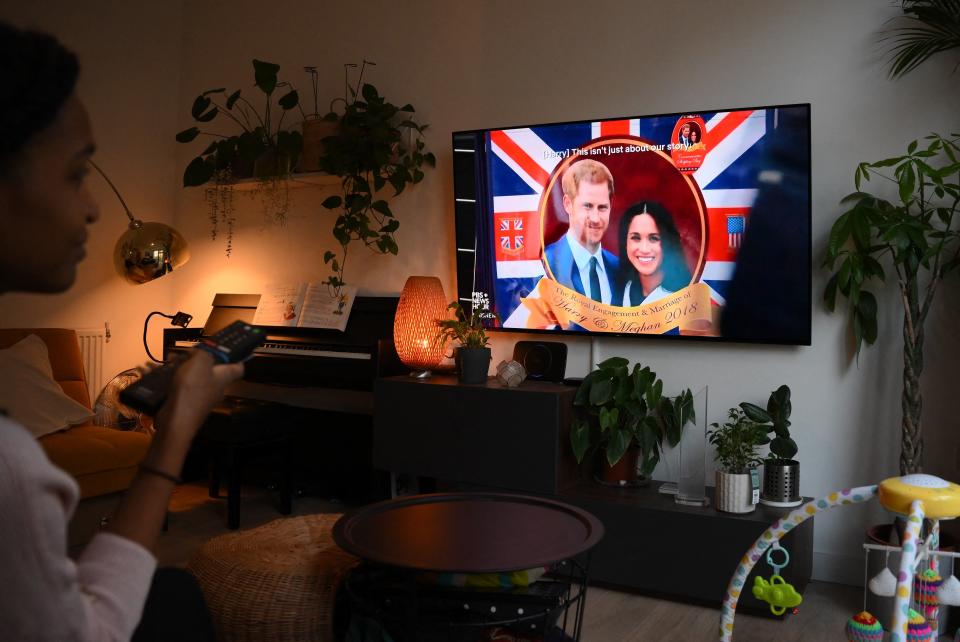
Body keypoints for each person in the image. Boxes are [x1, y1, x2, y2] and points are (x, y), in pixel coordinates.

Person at [0, 22, 243, 641]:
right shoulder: (11, 467)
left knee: (176, 586)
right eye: (76, 173)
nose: (93, 208)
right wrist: (177, 429)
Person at [542, 159, 619, 304]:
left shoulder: (620, 269)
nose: (596, 218)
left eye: (602, 207)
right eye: (588, 206)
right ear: (567, 204)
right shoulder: (545, 265)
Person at [614, 200, 692, 306]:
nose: (644, 249)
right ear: (625, 243)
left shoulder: (685, 298)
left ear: (668, 242)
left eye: (654, 238)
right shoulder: (620, 290)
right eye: (636, 238)